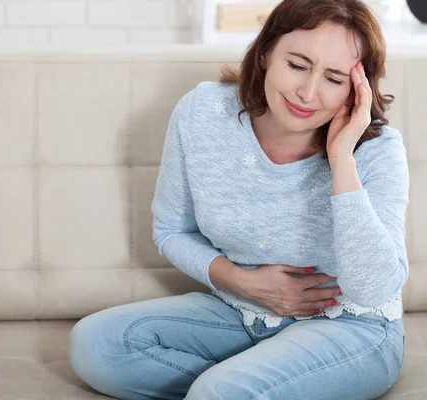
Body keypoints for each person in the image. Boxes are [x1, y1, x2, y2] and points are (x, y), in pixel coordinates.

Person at [69, 0, 408, 399]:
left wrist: (341, 158)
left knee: (221, 392)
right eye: (297, 65)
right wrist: (243, 283)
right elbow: (171, 230)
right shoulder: (203, 112)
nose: (308, 92)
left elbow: (374, 288)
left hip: (351, 325)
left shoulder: (377, 149)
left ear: (357, 88)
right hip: (241, 311)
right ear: (265, 52)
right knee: (97, 344)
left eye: (334, 78)